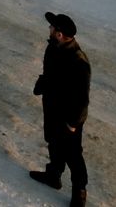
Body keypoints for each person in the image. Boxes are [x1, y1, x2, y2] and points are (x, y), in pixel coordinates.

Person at [30, 11, 91, 207]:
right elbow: (50, 73)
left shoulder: (78, 60)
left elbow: (82, 98)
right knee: (53, 142)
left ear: (59, 34)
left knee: (73, 154)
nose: (49, 29)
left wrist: (74, 122)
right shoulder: (53, 48)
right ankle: (53, 175)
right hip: (52, 108)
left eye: (52, 27)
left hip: (69, 116)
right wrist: (42, 83)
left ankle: (79, 193)